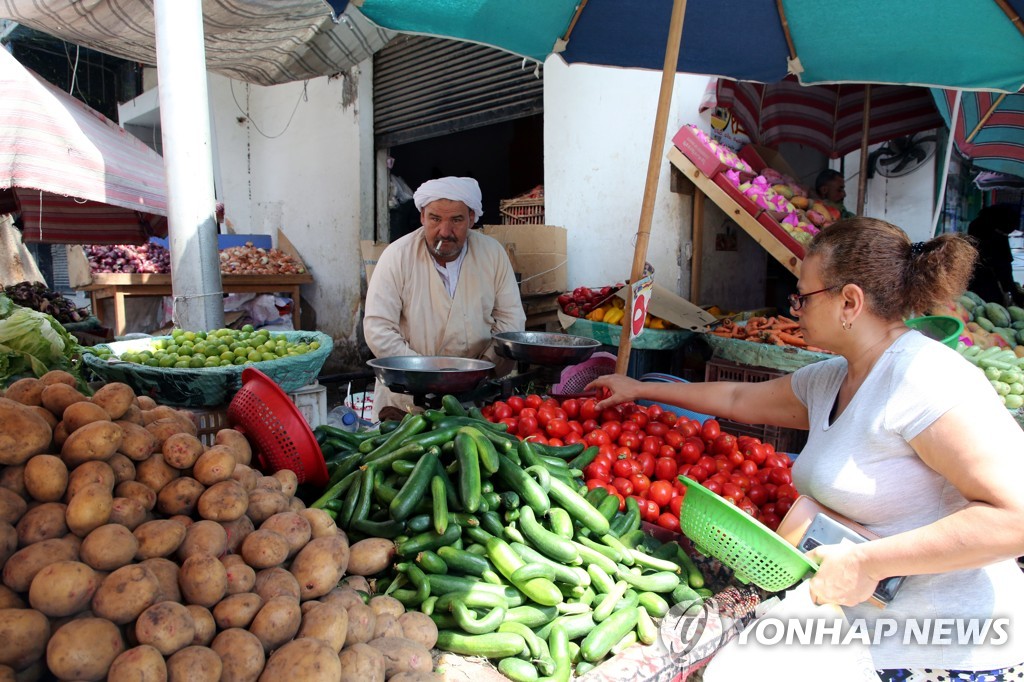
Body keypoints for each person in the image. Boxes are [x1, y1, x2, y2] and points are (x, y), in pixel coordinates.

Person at [589, 217, 1024, 677]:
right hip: (871, 639)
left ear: (849, 301)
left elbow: (1015, 518)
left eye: (803, 296)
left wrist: (867, 561)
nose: (795, 309)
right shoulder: (834, 377)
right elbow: (737, 399)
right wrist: (639, 388)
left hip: (950, 653)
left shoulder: (925, 378)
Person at [363, 176, 526, 419]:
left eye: (457, 220)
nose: (445, 231)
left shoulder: (493, 254)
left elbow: (511, 321)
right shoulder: (396, 255)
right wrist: (424, 373)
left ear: (471, 218)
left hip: (475, 396)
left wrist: (481, 368)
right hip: (407, 399)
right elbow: (378, 327)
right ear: (422, 217)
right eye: (435, 219)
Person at [966, 203, 1024, 306]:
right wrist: (1012, 293)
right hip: (984, 284)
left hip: (975, 281)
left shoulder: (982, 223)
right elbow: (1003, 266)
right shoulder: (992, 231)